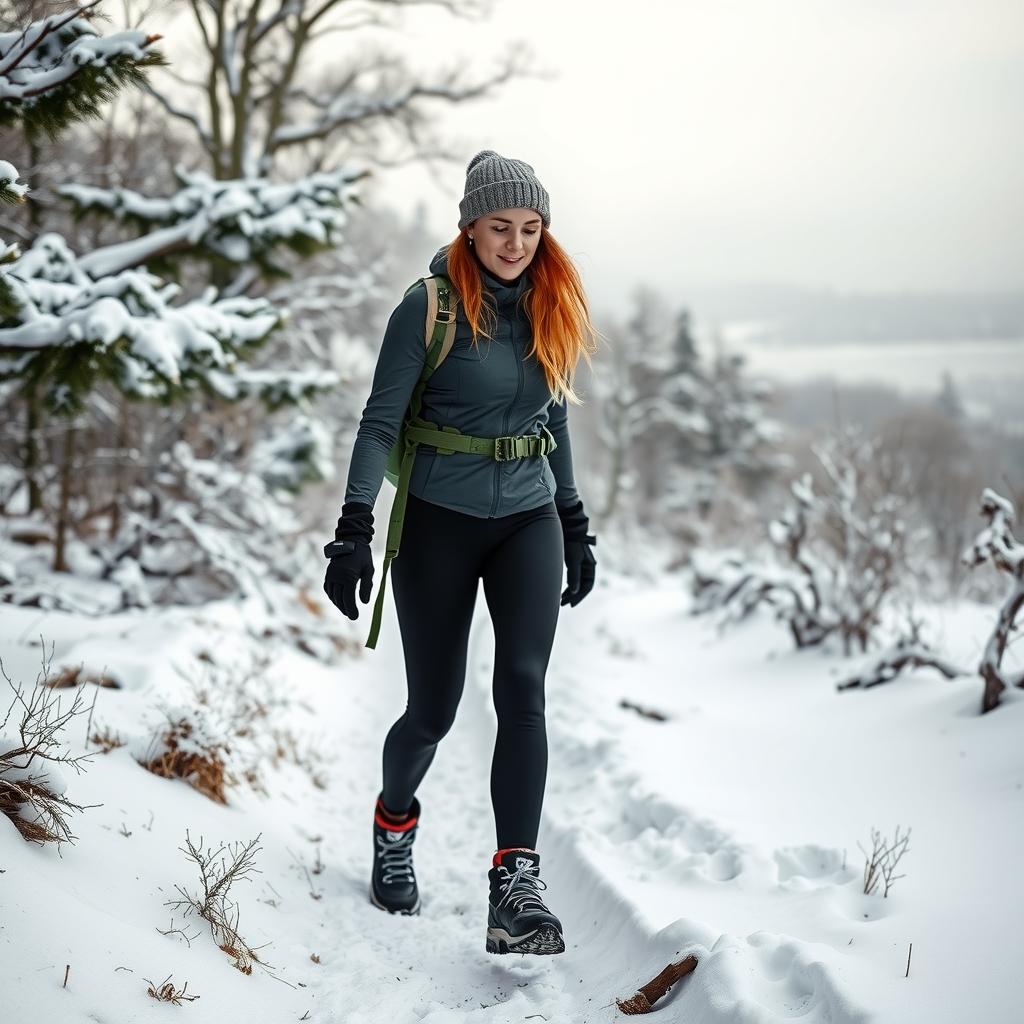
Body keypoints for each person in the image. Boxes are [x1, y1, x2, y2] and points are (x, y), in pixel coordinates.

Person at [323, 150, 597, 956]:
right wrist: (353, 528)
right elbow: (379, 423)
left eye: (530, 227)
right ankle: (394, 819)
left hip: (527, 519)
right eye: (501, 226)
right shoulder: (429, 309)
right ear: (470, 226)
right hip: (437, 522)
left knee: (523, 686)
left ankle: (516, 884)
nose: (516, 243)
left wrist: (574, 520)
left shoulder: (552, 304)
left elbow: (556, 421)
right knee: (434, 709)